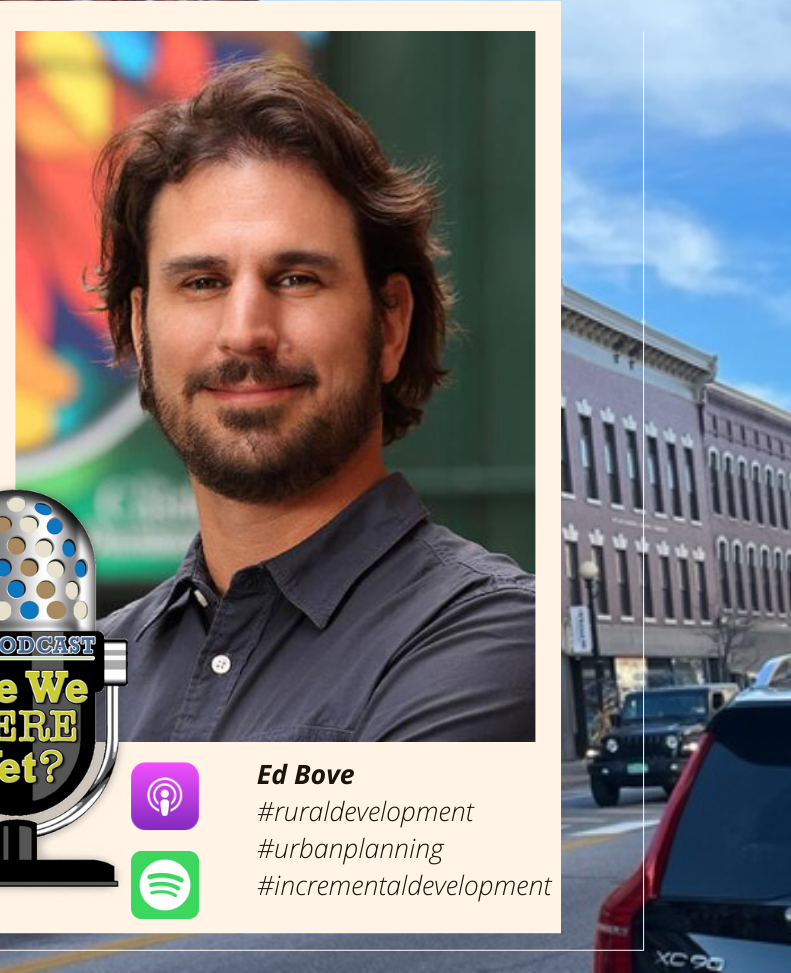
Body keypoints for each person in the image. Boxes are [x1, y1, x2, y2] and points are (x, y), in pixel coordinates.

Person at [94, 56, 535, 742]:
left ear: (390, 323)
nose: (245, 333)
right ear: (139, 333)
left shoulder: (496, 640)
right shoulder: (93, 670)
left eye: (296, 278)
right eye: (203, 283)